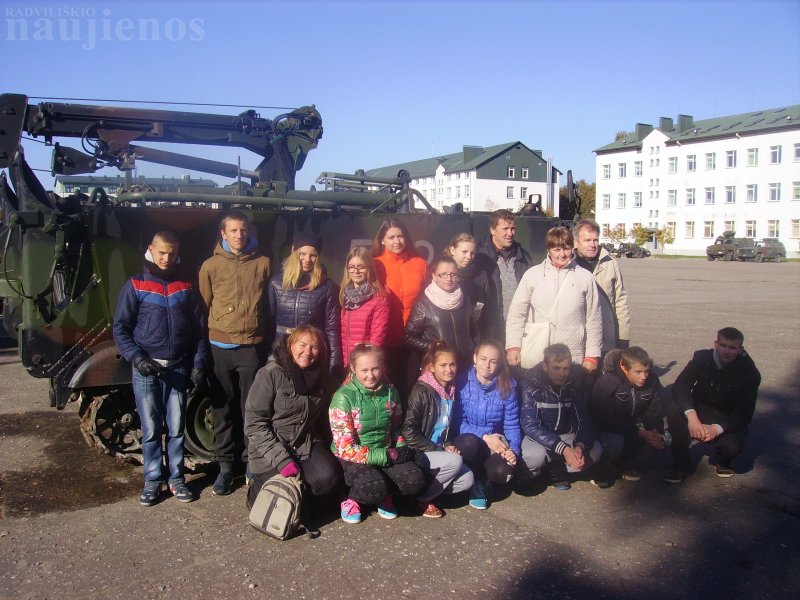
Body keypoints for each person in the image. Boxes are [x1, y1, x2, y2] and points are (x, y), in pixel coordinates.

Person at [113, 231, 209, 506]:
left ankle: (176, 478)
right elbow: (121, 328)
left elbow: (198, 331)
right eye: (161, 253)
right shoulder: (136, 285)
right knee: (152, 427)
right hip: (147, 369)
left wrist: (199, 364)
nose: (166, 259)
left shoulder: (185, 286)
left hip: (178, 367)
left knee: (177, 428)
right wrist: (136, 357)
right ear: (151, 250)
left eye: (171, 253)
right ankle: (153, 480)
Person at [199, 211, 271, 496]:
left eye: (242, 230)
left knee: (251, 410)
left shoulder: (263, 263)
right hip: (220, 348)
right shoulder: (210, 266)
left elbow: (267, 303)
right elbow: (205, 302)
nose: (239, 235)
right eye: (233, 231)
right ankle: (226, 468)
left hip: (250, 347)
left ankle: (252, 465)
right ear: (223, 234)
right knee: (222, 409)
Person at [244, 325, 341, 511]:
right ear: (290, 345)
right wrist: (282, 460)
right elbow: (255, 425)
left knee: (328, 478)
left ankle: (298, 500)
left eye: (314, 347)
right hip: (270, 449)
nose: (308, 352)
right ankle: (255, 492)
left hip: (304, 444)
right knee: (274, 500)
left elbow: (343, 391)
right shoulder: (270, 374)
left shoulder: (323, 377)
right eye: (302, 345)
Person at [329, 343, 426, 524]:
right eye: (364, 370)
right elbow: (345, 447)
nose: (370, 375)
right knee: (371, 488)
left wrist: (402, 449)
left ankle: (384, 493)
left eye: (375, 369)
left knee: (415, 480)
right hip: (354, 455)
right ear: (353, 368)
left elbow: (396, 428)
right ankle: (352, 498)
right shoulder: (343, 397)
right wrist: (384, 456)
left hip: (384, 449)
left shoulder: (390, 391)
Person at [664, 327, 761, 483]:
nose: (727, 351)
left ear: (740, 349)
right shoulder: (701, 359)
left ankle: (724, 460)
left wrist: (717, 428)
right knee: (674, 407)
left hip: (726, 415)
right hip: (700, 409)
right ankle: (681, 465)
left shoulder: (750, 373)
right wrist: (691, 415)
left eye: (732, 347)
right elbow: (681, 385)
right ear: (716, 344)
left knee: (732, 445)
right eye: (723, 345)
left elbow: (744, 414)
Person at [506, 226, 602, 372]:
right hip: (539, 356)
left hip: (572, 358)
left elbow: (594, 319)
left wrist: (592, 356)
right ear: (548, 250)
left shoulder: (586, 277)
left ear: (573, 247)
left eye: (566, 248)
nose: (562, 254)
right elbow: (517, 314)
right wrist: (513, 346)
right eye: (557, 249)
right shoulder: (532, 275)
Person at [519, 344, 607, 490]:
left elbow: (583, 420)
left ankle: (558, 468)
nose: (562, 373)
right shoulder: (531, 385)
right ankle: (533, 474)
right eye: (556, 368)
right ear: (545, 366)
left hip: (565, 435)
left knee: (595, 449)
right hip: (539, 438)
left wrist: (580, 445)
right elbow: (529, 425)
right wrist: (564, 449)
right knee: (534, 457)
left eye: (566, 368)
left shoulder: (573, 385)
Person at [402, 341, 475, 518]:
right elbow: (409, 432)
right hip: (420, 451)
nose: (448, 369)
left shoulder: (450, 389)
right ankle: (421, 499)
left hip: (439, 451)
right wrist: (440, 450)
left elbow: (444, 427)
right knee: (455, 462)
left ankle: (427, 491)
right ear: (431, 367)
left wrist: (448, 444)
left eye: (452, 364)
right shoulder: (421, 391)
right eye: (442, 365)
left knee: (468, 479)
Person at [452, 339, 521, 510]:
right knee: (467, 443)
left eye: (493, 361)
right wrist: (484, 436)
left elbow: (512, 424)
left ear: (499, 364)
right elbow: (457, 422)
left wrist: (513, 450)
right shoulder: (461, 383)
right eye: (483, 359)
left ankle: (487, 479)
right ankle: (477, 480)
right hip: (473, 440)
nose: (487, 365)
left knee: (501, 471)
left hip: (496, 443)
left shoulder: (508, 386)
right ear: (474, 358)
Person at [268, 231, 341, 372]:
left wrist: (334, 365)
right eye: (302, 253)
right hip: (280, 351)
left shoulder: (328, 287)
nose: (307, 259)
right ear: (294, 252)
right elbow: (270, 323)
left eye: (313, 255)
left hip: (309, 355)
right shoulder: (276, 283)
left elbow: (332, 330)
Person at [590, 346, 665, 481]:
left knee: (665, 439)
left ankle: (624, 463)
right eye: (638, 372)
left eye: (646, 371)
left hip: (631, 424)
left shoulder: (652, 381)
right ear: (624, 369)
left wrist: (655, 433)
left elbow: (655, 411)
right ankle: (598, 466)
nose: (644, 377)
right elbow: (603, 419)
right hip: (605, 429)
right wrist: (639, 432)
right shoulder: (608, 382)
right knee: (616, 441)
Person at [372, 219, 428, 397]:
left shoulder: (419, 264)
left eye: (400, 236)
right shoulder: (375, 265)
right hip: (387, 338)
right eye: (391, 237)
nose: (397, 241)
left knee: (411, 387)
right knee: (388, 388)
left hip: (413, 337)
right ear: (382, 240)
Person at [404, 256, 478, 372]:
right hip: (440, 368)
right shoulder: (423, 304)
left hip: (466, 366)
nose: (449, 279)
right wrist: (434, 347)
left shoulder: (465, 299)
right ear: (434, 276)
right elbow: (409, 337)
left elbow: (473, 331)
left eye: (453, 274)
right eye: (443, 274)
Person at [572, 219, 631, 352]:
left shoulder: (610, 263)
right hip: (577, 339)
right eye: (587, 240)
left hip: (605, 337)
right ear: (576, 242)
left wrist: (623, 336)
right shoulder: (569, 265)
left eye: (595, 240)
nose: (593, 244)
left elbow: (620, 301)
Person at [475, 209, 533, 341]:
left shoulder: (523, 257)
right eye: (505, 229)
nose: (510, 233)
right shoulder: (479, 257)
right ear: (492, 230)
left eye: (513, 229)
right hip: (489, 330)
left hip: (518, 329)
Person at [339, 246, 389, 366]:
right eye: (351, 267)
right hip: (345, 361)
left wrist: (364, 362)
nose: (356, 271)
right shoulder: (343, 294)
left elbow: (377, 337)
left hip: (364, 363)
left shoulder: (379, 297)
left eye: (361, 267)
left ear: (369, 268)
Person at [445, 233, 498, 339]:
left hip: (474, 337)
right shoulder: (441, 273)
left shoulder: (482, 275)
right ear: (452, 250)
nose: (468, 257)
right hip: (448, 336)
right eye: (464, 252)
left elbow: (489, 311)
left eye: (472, 253)